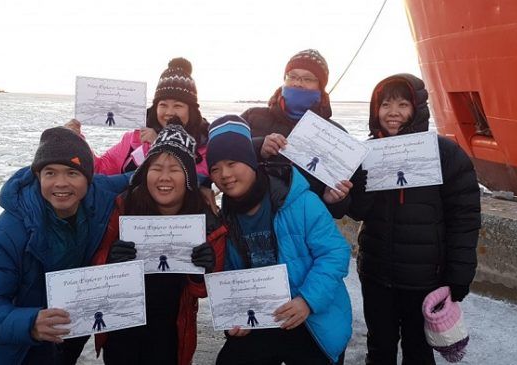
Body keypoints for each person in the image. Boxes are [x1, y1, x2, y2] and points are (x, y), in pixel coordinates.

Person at [0, 127, 131, 364]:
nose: (61, 183)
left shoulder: (98, 195)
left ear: (88, 177)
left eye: (72, 173)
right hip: (17, 352)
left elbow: (142, 177)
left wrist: (200, 184)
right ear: (38, 176)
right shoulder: (9, 230)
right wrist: (31, 324)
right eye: (50, 173)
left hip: (68, 338)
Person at [346, 74, 481, 365]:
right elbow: (357, 211)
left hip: (424, 281)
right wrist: (355, 187)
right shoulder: (365, 155)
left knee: (418, 352)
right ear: (375, 110)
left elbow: (465, 218)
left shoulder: (446, 154)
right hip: (376, 275)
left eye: (403, 104)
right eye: (385, 104)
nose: (393, 112)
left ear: (417, 108)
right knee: (379, 347)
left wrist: (459, 275)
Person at [206, 115, 352, 365]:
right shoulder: (224, 218)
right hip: (262, 318)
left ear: (251, 161)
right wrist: (236, 315)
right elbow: (230, 273)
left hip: (311, 319)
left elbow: (335, 253)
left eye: (232, 163)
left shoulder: (300, 201)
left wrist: (307, 301)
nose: (225, 175)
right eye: (215, 169)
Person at [89, 123, 227, 365]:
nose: (164, 177)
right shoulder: (123, 206)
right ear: (145, 172)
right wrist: (110, 262)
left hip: (172, 326)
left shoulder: (205, 219)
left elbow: (203, 291)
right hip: (122, 325)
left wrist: (200, 274)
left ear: (188, 178)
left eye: (175, 169)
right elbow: (94, 270)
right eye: (156, 168)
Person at [67, 57, 217, 209]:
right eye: (163, 105)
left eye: (178, 105)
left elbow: (194, 180)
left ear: (191, 110)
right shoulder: (134, 139)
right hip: (135, 223)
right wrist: (76, 140)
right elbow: (100, 169)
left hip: (181, 228)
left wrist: (160, 144)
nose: (169, 112)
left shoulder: (207, 144)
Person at [241, 49, 352, 216]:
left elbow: (342, 210)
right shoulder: (252, 117)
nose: (298, 83)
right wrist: (258, 147)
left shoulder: (337, 135)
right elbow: (222, 161)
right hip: (253, 220)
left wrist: (335, 200)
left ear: (320, 87)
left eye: (307, 79)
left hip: (305, 226)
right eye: (292, 76)